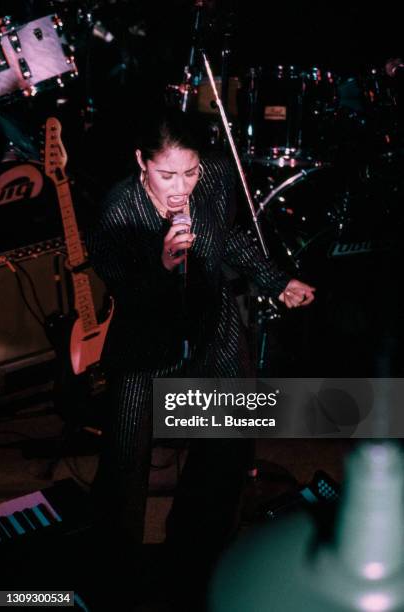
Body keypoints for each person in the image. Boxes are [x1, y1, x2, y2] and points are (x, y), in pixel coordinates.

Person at [86, 107, 315, 607]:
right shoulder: (117, 211)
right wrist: (164, 262)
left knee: (223, 454)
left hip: (214, 332)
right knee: (124, 467)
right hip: (147, 346)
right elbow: (126, 291)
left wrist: (278, 280)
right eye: (167, 174)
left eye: (189, 172)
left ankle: (196, 567)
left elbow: (229, 236)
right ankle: (111, 583)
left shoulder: (211, 179)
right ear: (141, 163)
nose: (181, 186)